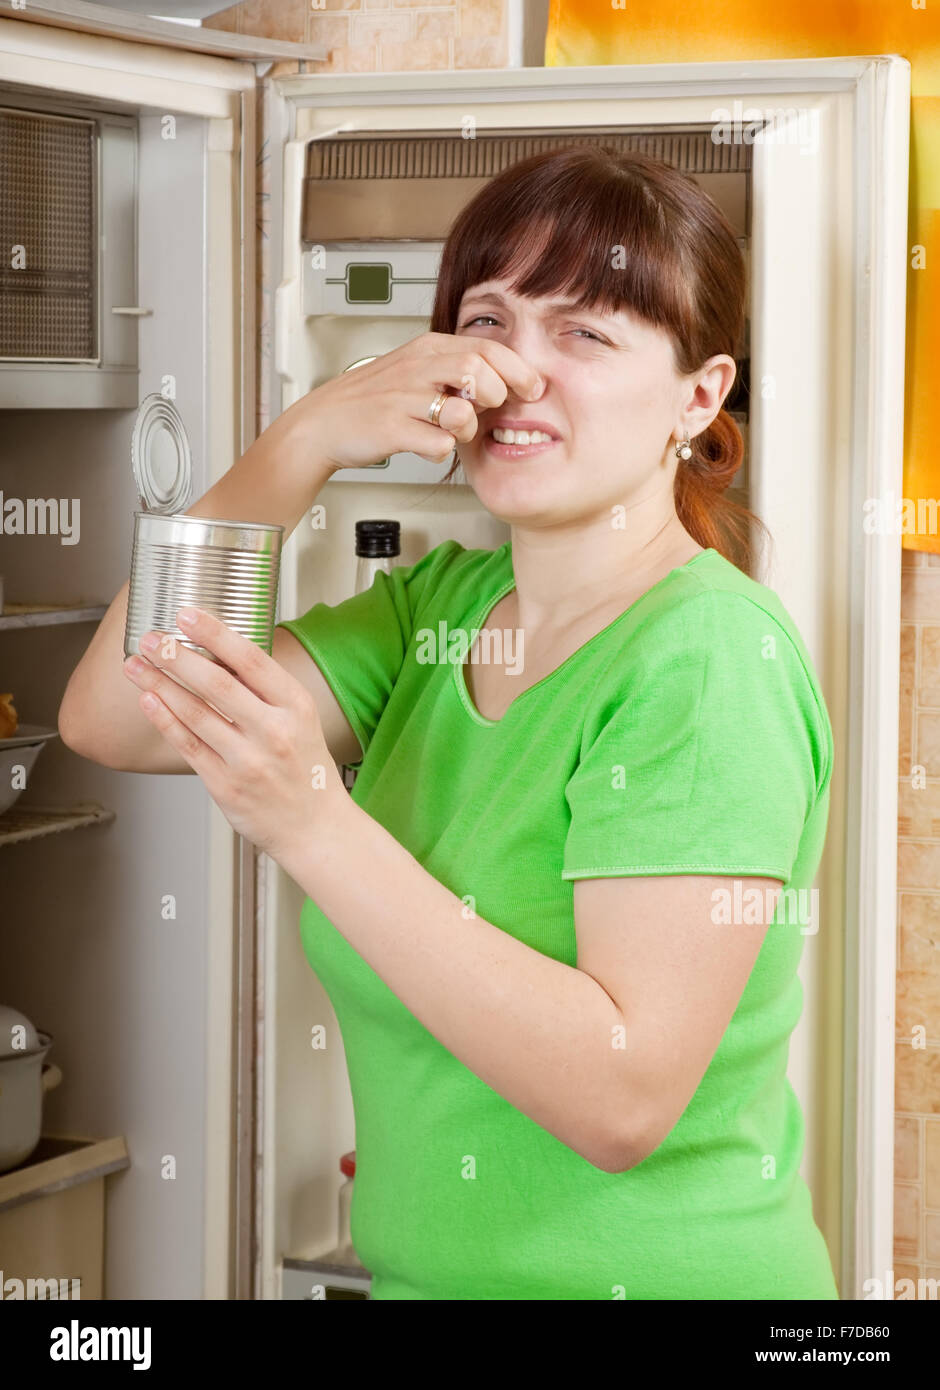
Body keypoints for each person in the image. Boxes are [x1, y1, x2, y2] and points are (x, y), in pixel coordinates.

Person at [59, 146, 838, 1301]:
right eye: (489, 321)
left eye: (583, 333)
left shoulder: (708, 657)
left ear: (698, 394)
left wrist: (313, 824)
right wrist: (302, 441)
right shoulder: (438, 609)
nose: (516, 373)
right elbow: (120, 710)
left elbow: (622, 1099)